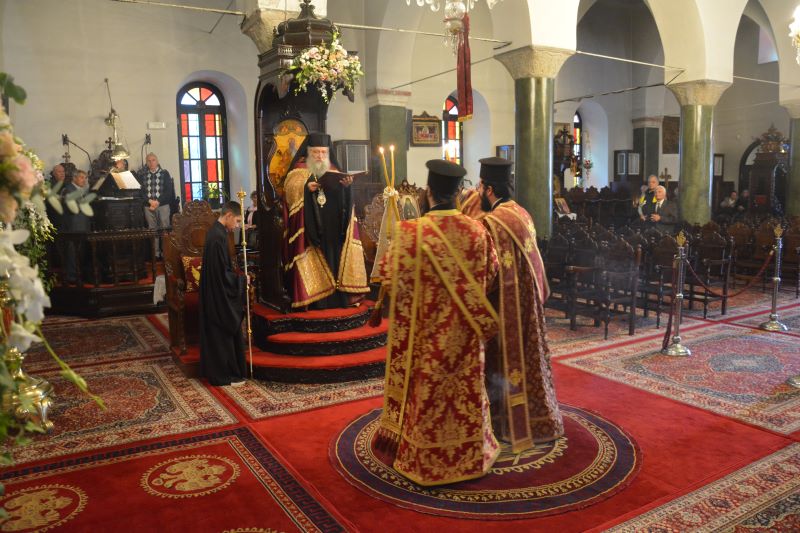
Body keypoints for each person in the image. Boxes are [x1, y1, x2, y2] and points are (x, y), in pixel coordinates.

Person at [373, 159, 500, 486]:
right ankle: (471, 455)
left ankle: (423, 457)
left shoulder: (409, 233)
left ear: (428, 192)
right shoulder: (479, 231)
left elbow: (387, 278)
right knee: (466, 394)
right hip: (466, 342)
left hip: (426, 344)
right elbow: (491, 277)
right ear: (458, 193)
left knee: (427, 395)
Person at [474, 157, 564, 450]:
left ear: (489, 189)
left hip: (508, 304)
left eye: (480, 187)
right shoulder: (521, 212)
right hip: (530, 303)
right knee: (531, 360)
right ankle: (540, 418)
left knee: (504, 361)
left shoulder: (492, 222)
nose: (478, 193)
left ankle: (504, 422)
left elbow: (487, 270)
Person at [283, 132, 368, 309]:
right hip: (311, 228)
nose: (320, 156)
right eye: (316, 152)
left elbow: (343, 202)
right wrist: (306, 189)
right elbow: (291, 192)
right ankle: (316, 302)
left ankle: (339, 299)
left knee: (336, 259)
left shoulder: (334, 170)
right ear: (308, 153)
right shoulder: (298, 171)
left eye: (323, 152)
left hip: (334, 227)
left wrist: (346, 187)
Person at [199, 201, 247, 387]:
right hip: (217, 294)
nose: (237, 225)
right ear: (228, 216)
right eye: (237, 221)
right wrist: (241, 281)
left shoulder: (217, 233)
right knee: (223, 329)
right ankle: (224, 374)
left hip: (214, 290)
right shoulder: (218, 237)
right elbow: (221, 274)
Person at [139, 153, 174, 258]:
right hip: (148, 207)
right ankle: (156, 255)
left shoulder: (164, 173)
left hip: (162, 206)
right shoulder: (143, 175)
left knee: (164, 230)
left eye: (153, 160)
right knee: (152, 231)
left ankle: (166, 254)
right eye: (149, 161)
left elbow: (169, 191)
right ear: (146, 163)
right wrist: (150, 201)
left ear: (157, 161)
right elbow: (141, 192)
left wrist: (158, 201)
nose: (151, 163)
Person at [61, 170, 92, 284]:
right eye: (81, 177)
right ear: (74, 178)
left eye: (85, 178)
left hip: (83, 225)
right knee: (72, 252)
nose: (84, 180)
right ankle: (72, 277)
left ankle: (79, 275)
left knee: (80, 252)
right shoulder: (68, 190)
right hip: (73, 226)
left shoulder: (81, 190)